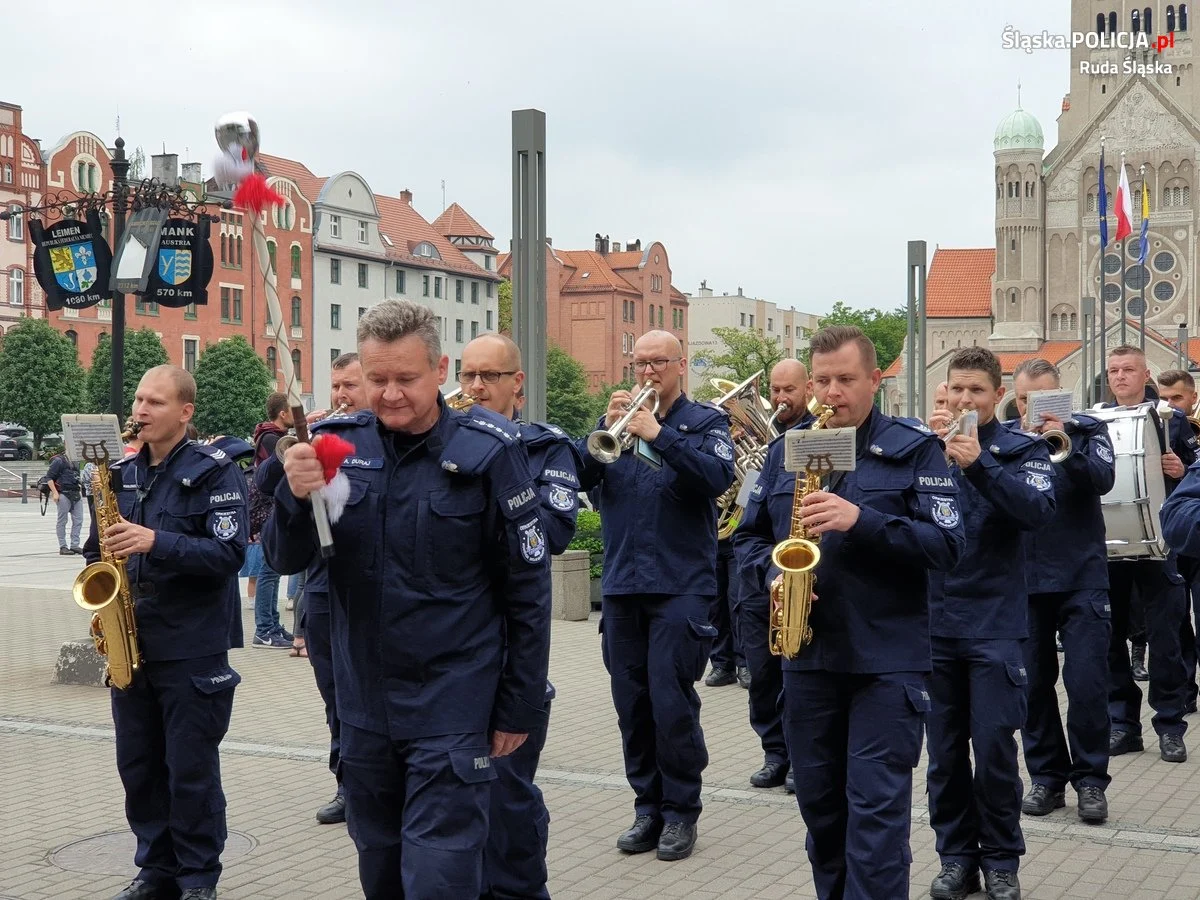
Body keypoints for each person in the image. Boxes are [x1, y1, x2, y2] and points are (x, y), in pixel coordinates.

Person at [262, 300, 551, 899]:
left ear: (440, 369)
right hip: (364, 709)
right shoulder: (336, 446)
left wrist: (517, 707)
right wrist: (293, 496)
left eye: (406, 379)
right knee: (383, 874)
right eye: (376, 379)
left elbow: (528, 590)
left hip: (452, 706)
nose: (389, 394)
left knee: (439, 880)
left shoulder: (489, 452)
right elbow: (284, 560)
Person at [734, 325, 963, 899]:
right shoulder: (792, 449)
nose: (831, 392)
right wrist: (775, 574)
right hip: (809, 659)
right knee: (822, 815)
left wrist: (862, 520)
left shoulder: (914, 449)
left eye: (845, 379)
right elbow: (748, 539)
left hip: (885, 663)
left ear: (875, 380)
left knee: (876, 821)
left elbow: (948, 545)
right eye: (823, 379)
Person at [85, 365, 247, 900]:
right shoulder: (118, 473)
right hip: (133, 643)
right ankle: (155, 869)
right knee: (139, 767)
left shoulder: (216, 472)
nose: (140, 411)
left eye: (154, 402)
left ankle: (199, 877)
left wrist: (157, 542)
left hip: (192, 648)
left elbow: (229, 555)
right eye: (137, 401)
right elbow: (97, 550)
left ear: (185, 412)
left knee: (190, 771)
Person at [576, 330, 734, 862]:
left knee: (671, 704)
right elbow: (576, 475)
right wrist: (603, 429)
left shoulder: (706, 422)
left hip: (680, 586)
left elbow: (716, 476)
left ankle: (681, 813)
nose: (646, 372)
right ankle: (647, 806)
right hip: (623, 586)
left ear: (679, 365)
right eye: (639, 361)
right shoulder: (615, 427)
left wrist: (659, 433)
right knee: (632, 705)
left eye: (657, 362)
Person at [925, 346, 1056, 900]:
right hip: (933, 624)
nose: (963, 399)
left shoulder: (1023, 449)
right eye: (956, 389)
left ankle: (1001, 859)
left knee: (996, 753)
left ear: (997, 396)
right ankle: (956, 857)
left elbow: (1037, 512)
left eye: (976, 390)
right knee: (945, 756)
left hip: (997, 626)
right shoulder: (923, 452)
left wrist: (977, 464)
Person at [460, 332, 580, 900]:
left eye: (489, 377)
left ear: (517, 384)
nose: (476, 387)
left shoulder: (545, 447)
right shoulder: (443, 445)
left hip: (512, 653)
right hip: (453, 652)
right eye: (467, 376)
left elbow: (554, 533)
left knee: (507, 799)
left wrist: (500, 462)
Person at [1007, 359, 1115, 825]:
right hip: (1025, 579)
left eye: (1045, 398)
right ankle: (1046, 778)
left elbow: (1104, 480)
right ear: (1016, 399)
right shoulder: (1007, 439)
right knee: (1032, 685)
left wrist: (1065, 443)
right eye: (1027, 400)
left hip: (1082, 575)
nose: (1034, 408)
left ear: (1062, 396)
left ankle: (1090, 780)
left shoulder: (1088, 430)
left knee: (1087, 682)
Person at [1102, 346, 1195, 763]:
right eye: (1114, 371)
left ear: (1146, 376)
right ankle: (1123, 724)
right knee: (1110, 640)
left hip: (1160, 547)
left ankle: (1171, 725)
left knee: (1166, 640)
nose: (1120, 377)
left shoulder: (1171, 420)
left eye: (1128, 370)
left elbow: (1196, 470)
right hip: (1110, 547)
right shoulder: (1095, 421)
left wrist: (1182, 467)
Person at [737, 357, 814, 791]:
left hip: (809, 580)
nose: (782, 398)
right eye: (776, 390)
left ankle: (802, 757)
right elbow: (750, 521)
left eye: (790, 389)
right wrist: (769, 573)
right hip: (763, 580)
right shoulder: (770, 449)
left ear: (808, 390)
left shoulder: (825, 440)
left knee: (799, 679)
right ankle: (774, 753)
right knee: (763, 674)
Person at [1157, 369, 1200, 713]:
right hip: (1168, 537)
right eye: (1164, 398)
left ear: (1192, 398)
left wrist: (1182, 471)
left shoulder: (1187, 430)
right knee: (1176, 620)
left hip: (1193, 541)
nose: (1170, 405)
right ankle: (1185, 689)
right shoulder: (1150, 426)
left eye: (1177, 398)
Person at [249, 393, 294, 649]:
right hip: (267, 510)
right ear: (283, 414)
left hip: (273, 508)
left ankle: (273, 625)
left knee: (274, 571)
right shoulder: (270, 438)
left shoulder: (271, 435)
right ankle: (264, 629)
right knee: (269, 571)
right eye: (292, 411)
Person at [47, 449, 84, 554]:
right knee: (62, 521)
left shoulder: (75, 461)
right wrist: (55, 493)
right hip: (63, 493)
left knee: (78, 520)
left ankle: (75, 544)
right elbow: (49, 477)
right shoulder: (59, 461)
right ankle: (63, 546)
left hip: (75, 493)